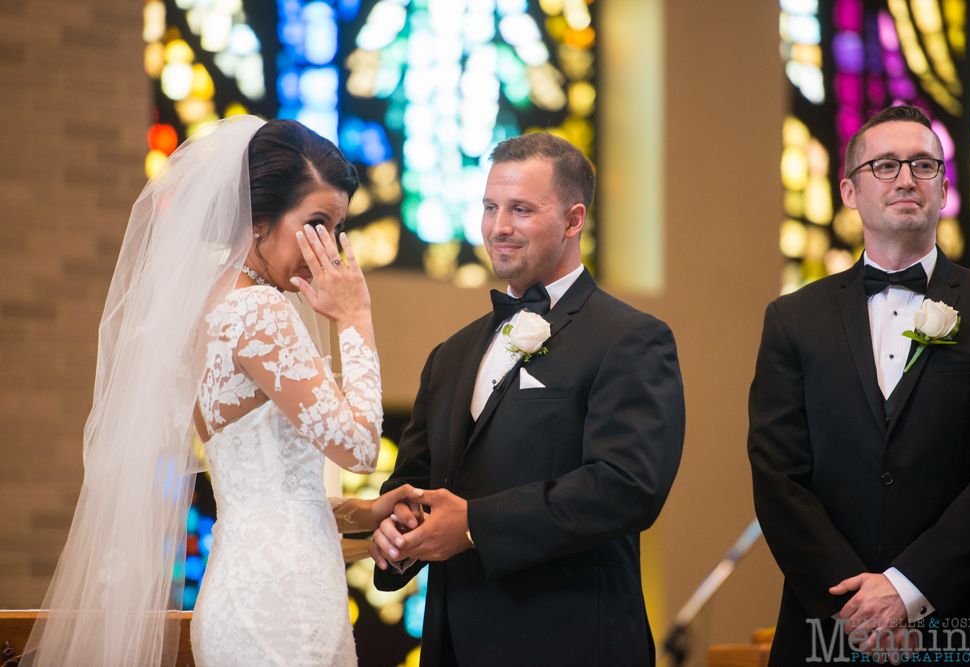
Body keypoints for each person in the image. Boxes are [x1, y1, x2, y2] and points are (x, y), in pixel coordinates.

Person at [21, 116, 420, 667]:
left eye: (335, 227)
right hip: (286, 603)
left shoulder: (209, 305)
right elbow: (358, 447)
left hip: (248, 588)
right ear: (259, 220)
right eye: (316, 223)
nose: (327, 250)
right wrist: (356, 318)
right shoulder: (259, 309)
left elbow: (269, 496)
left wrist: (364, 511)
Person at [368, 132, 686, 667]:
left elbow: (627, 487)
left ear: (573, 220)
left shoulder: (629, 338)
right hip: (453, 643)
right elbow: (416, 484)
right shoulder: (450, 354)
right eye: (490, 207)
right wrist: (396, 532)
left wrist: (473, 527)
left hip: (569, 642)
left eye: (521, 209)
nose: (499, 227)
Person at [749, 105, 970, 665]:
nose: (906, 178)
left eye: (923, 165)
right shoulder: (793, 318)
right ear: (848, 190)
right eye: (884, 165)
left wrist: (907, 591)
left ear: (943, 185)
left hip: (965, 625)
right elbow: (778, 476)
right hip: (829, 624)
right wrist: (860, 605)